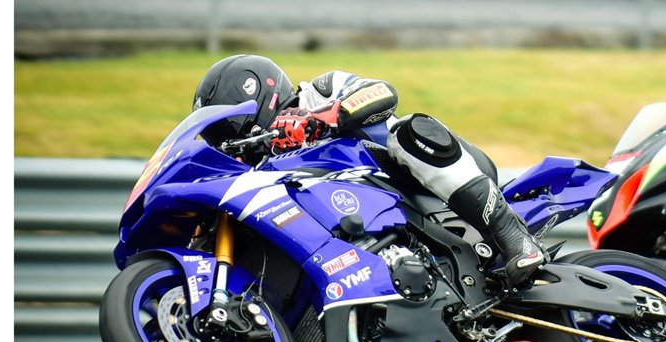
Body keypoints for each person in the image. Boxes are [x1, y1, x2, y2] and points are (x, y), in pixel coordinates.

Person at [191, 54, 545, 288]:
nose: (231, 139)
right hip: (373, 231)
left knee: (407, 130)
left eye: (231, 126)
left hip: (422, 185)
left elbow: (382, 93)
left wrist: (320, 119)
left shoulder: (319, 91)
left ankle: (512, 234)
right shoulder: (263, 169)